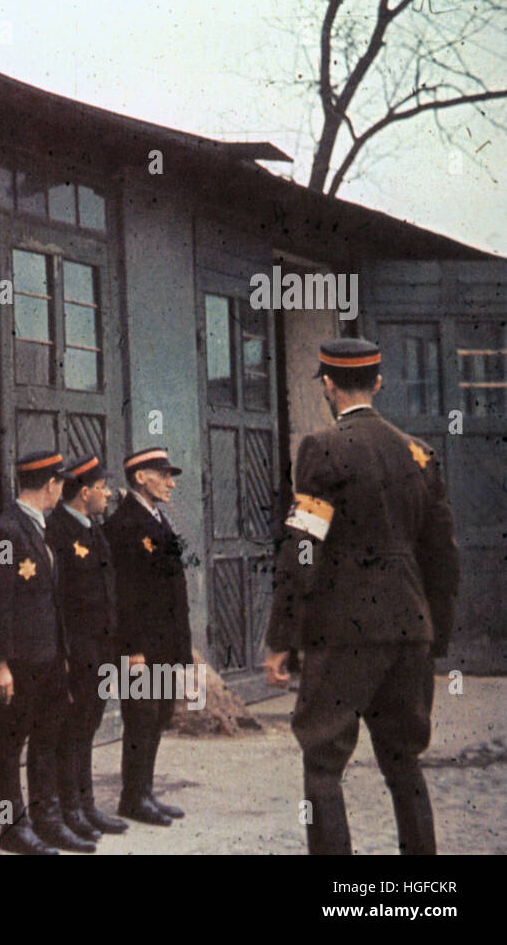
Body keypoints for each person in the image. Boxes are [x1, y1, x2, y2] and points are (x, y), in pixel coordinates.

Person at [264, 338, 458, 855]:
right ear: (378, 382)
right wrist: (434, 633)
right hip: (410, 630)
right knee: (404, 763)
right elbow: (443, 556)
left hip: (344, 632)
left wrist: (282, 636)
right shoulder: (421, 454)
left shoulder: (322, 448)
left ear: (328, 385)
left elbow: (303, 549)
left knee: (324, 765)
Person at [0, 450, 93, 854]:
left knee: (46, 740)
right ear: (50, 484)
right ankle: (13, 827)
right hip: (20, 663)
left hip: (48, 659)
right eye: (60, 483)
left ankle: (46, 819)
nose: (61, 490)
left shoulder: (40, 528)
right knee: (11, 747)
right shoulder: (7, 532)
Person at [104, 447, 189, 827]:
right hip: (141, 649)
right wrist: (132, 649)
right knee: (141, 717)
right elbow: (125, 594)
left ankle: (145, 792)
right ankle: (132, 797)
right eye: (163, 474)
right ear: (140, 477)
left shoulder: (159, 520)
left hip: (165, 644)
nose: (171, 483)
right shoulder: (124, 525)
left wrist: (183, 653)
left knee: (159, 716)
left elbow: (176, 591)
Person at [47, 453, 129, 842]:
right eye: (102, 488)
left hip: (100, 651)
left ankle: (87, 804)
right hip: (77, 652)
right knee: (72, 731)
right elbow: (58, 600)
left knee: (88, 727)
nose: (108, 494)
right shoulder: (58, 531)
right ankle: (70, 809)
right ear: (83, 493)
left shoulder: (95, 530)